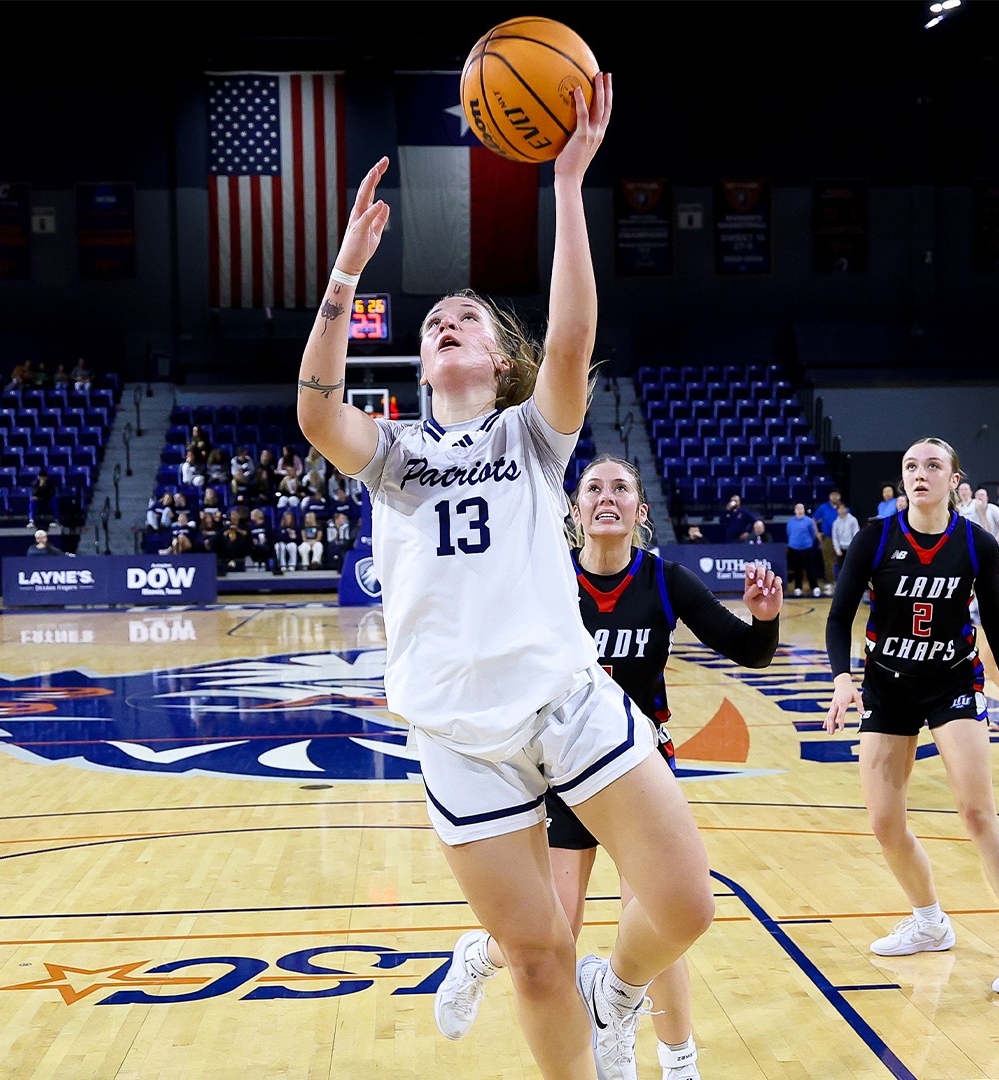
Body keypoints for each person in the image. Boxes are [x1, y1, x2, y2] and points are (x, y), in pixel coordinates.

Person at [298, 87, 714, 1080]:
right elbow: (317, 413)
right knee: (536, 961)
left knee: (687, 906)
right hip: (456, 731)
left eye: (467, 318)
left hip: (566, 699)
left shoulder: (531, 436)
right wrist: (345, 270)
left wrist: (566, 185)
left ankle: (618, 996)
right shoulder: (392, 452)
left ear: (495, 357)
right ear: (421, 358)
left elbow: (571, 340)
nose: (447, 320)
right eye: (435, 319)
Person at [434, 455, 781, 1080]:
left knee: (656, 918)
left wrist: (765, 615)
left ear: (640, 511)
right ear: (574, 511)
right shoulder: (546, 580)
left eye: (621, 487)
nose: (606, 497)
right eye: (592, 487)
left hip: (638, 764)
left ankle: (675, 1058)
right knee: (555, 929)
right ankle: (479, 958)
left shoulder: (666, 580)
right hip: (563, 768)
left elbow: (751, 652)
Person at [820, 438, 999, 997]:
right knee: (883, 822)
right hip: (888, 686)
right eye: (911, 467)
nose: (920, 474)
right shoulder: (876, 538)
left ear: (954, 479)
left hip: (953, 682)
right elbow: (839, 615)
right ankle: (929, 922)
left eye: (933, 466)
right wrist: (842, 678)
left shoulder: (975, 543)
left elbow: (995, 620)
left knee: (976, 811)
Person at [785, 502, 824, 598]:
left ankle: (814, 587)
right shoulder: (790, 522)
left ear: (804, 510)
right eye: (797, 508)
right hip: (794, 548)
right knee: (797, 569)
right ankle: (798, 587)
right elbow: (789, 533)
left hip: (807, 548)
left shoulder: (809, 521)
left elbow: (813, 534)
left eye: (801, 508)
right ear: (794, 510)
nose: (799, 510)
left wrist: (808, 542)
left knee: (810, 568)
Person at [812, 490, 843, 585]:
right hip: (828, 537)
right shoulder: (823, 507)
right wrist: (817, 533)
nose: (834, 497)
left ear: (839, 496)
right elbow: (814, 520)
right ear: (830, 496)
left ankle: (841, 582)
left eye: (836, 495)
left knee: (840, 560)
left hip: (841, 538)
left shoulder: (843, 508)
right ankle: (830, 582)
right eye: (832, 495)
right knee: (828, 560)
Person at [830, 500, 860, 579]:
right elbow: (835, 537)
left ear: (846, 509)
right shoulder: (835, 523)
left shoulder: (853, 520)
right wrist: (837, 550)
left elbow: (856, 534)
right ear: (837, 510)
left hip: (851, 548)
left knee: (852, 568)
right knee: (841, 568)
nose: (842, 511)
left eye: (843, 508)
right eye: (840, 509)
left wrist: (854, 547)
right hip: (841, 549)